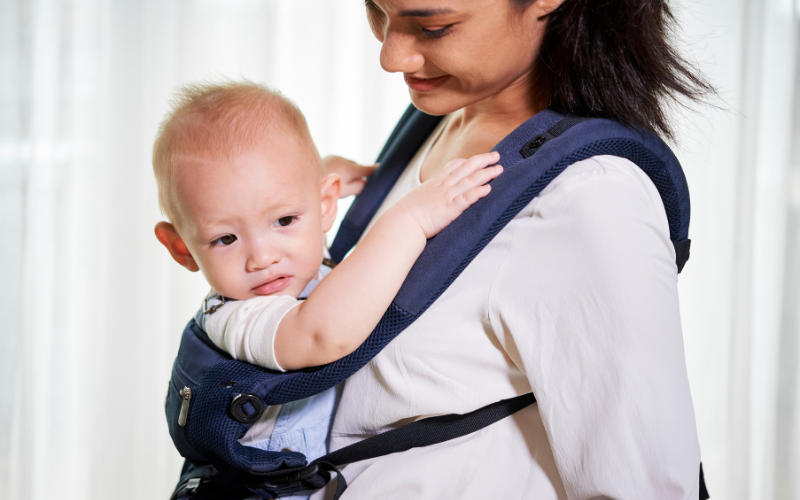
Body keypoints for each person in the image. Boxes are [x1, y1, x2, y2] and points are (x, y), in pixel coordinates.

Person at [313, 0, 714, 498]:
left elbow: (643, 487)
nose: (391, 58)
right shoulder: (439, 119)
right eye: (376, 11)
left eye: (433, 27)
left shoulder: (591, 198)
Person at [151, 81, 502, 499]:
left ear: (324, 205)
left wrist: (318, 175)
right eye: (225, 239)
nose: (262, 257)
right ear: (180, 248)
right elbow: (322, 333)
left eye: (283, 220)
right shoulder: (237, 317)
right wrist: (409, 220)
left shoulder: (284, 263)